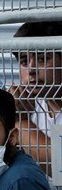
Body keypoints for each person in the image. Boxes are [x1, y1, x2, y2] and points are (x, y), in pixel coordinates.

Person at [10, 21, 62, 175]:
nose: (31, 69)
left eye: (42, 59)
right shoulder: (27, 102)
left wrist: (21, 121)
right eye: (25, 62)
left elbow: (60, 167)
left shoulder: (22, 112)